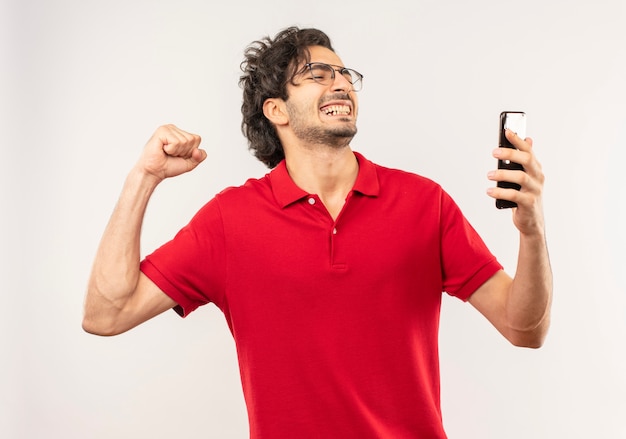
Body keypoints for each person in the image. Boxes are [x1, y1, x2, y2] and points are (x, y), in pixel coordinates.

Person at [82, 26, 552, 438]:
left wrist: (531, 230)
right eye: (318, 75)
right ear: (277, 111)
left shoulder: (424, 203)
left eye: (346, 75)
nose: (341, 83)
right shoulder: (230, 220)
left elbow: (524, 328)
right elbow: (107, 314)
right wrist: (143, 178)